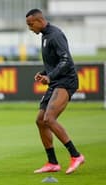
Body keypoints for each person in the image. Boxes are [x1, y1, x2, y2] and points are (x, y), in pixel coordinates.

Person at [25, 9, 85, 174]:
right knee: (40, 121)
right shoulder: (45, 35)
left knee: (49, 119)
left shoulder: (55, 35)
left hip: (66, 81)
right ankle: (52, 163)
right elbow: (54, 61)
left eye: (31, 24)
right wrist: (44, 73)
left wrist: (50, 77)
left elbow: (66, 60)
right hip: (55, 82)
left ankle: (76, 155)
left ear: (39, 20)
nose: (30, 28)